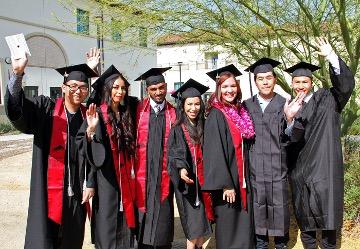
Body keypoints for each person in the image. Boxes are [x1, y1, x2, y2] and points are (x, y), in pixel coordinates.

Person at [5, 49, 99, 249]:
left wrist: (90, 133)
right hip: (48, 192)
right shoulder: (46, 109)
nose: (78, 91)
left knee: (72, 241)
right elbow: (19, 111)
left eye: (83, 87)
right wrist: (18, 74)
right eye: (72, 86)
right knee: (45, 241)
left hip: (76, 194)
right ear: (63, 87)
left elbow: (96, 155)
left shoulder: (89, 116)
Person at [283, 37, 355, 249]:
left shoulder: (328, 98)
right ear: (292, 84)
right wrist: (289, 119)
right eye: (297, 82)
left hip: (325, 171)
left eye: (305, 82)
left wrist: (331, 55)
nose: (301, 86)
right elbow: (288, 141)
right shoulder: (288, 106)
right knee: (307, 226)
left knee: (328, 227)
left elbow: (346, 85)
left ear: (312, 82)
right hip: (301, 173)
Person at [76, 65, 139, 248]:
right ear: (108, 89)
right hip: (106, 179)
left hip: (126, 177)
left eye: (123, 88)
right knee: (107, 223)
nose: (120, 91)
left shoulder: (127, 112)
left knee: (126, 221)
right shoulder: (98, 114)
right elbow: (85, 149)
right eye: (116, 87)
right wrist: (90, 130)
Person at [202, 64, 256, 249]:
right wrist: (226, 184)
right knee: (229, 231)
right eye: (224, 87)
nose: (229, 90)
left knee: (243, 229)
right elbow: (214, 152)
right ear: (218, 89)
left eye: (232, 86)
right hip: (228, 187)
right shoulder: (216, 114)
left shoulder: (240, 112)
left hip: (242, 181)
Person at [243, 58, 290, 249]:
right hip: (255, 170)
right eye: (260, 78)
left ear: (275, 79)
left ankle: (281, 245)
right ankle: (261, 244)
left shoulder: (285, 104)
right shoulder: (246, 106)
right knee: (259, 209)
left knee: (279, 210)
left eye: (268, 78)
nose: (265, 82)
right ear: (255, 82)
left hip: (278, 168)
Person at [167, 79, 213, 249]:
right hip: (188, 185)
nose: (193, 108)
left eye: (196, 104)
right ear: (182, 106)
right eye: (189, 104)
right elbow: (174, 154)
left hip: (204, 182)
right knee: (193, 229)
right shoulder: (177, 128)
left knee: (201, 227)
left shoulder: (205, 125)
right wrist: (181, 170)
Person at [134, 67, 177, 249]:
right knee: (141, 225)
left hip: (164, 178)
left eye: (161, 88)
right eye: (153, 89)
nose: (158, 92)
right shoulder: (137, 111)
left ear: (166, 86)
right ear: (147, 90)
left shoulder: (174, 113)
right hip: (141, 178)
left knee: (162, 230)